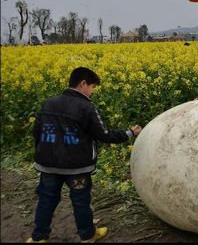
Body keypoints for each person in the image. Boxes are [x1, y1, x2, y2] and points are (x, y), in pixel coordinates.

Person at [27, 67, 142, 243]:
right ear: (83, 84)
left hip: (48, 165)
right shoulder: (87, 107)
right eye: (92, 87)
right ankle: (88, 236)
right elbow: (103, 134)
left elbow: (37, 131)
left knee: (46, 200)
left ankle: (38, 238)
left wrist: (45, 152)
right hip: (77, 167)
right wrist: (129, 133)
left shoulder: (49, 103)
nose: (92, 91)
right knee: (80, 201)